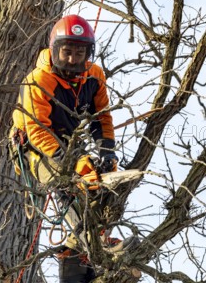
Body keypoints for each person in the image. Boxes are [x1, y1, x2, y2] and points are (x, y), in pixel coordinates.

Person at [11, 15, 135, 283]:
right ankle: (95, 241)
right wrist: (77, 163)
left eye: (79, 52)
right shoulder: (39, 80)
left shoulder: (94, 75)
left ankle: (74, 255)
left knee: (101, 186)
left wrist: (107, 153)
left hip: (69, 141)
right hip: (36, 148)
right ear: (55, 49)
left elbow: (102, 117)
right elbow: (38, 132)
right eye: (67, 52)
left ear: (88, 52)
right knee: (67, 181)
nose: (72, 59)